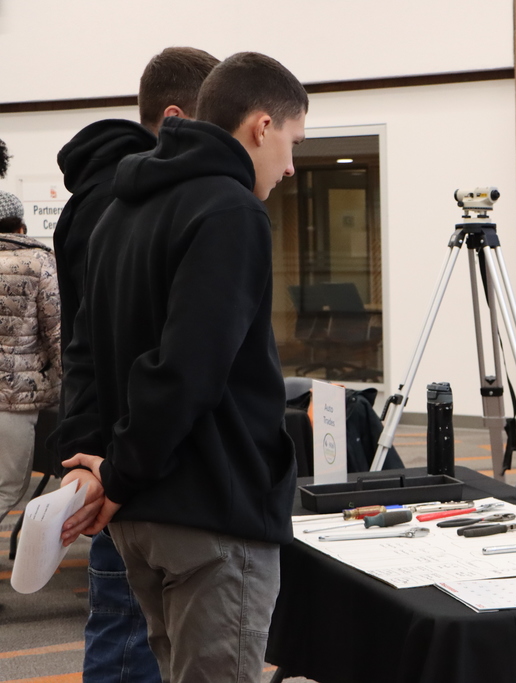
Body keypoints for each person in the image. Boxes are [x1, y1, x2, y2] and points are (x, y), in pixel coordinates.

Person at [56, 51, 306, 683]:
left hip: (142, 514)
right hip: (209, 510)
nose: (292, 165)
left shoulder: (120, 208)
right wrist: (116, 471)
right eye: (292, 141)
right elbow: (187, 370)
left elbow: (85, 351)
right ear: (259, 127)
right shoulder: (230, 211)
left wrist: (104, 465)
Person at [53, 46, 219, 683]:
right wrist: (106, 462)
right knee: (128, 642)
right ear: (175, 116)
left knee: (131, 634)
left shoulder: (110, 193)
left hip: (121, 457)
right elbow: (112, 345)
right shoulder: (126, 199)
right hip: (128, 465)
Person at [0, 191, 61, 526]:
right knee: (8, 488)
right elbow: (58, 331)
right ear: (21, 227)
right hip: (15, 397)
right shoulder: (38, 262)